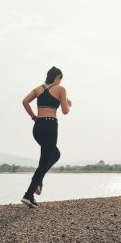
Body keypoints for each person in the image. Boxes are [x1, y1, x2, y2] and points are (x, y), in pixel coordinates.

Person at [20, 66, 72, 208]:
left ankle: (38, 181)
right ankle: (28, 195)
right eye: (60, 79)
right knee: (45, 160)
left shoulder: (38, 89)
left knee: (54, 154)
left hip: (37, 127)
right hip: (50, 126)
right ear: (57, 77)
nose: (60, 82)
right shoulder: (60, 89)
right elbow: (65, 111)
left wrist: (33, 117)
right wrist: (68, 103)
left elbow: (24, 101)